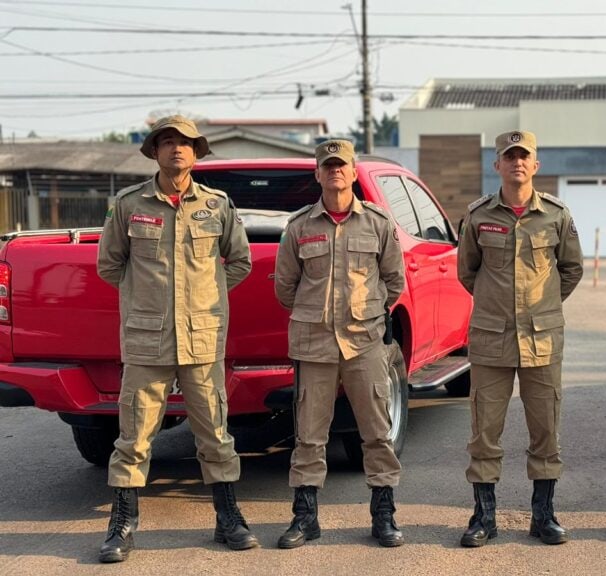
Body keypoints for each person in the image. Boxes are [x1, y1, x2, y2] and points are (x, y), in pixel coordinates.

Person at [96, 115, 255, 562]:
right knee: (134, 436)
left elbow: (238, 262)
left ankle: (228, 518)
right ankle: (122, 524)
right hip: (148, 340)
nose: (176, 149)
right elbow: (110, 265)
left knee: (215, 434)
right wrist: (144, 302)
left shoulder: (218, 205)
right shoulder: (129, 204)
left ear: (196, 152)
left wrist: (207, 299)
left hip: (202, 340)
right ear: (155, 151)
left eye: (185, 143)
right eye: (167, 142)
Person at [273, 139, 407, 548]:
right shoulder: (299, 227)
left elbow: (394, 283)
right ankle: (305, 516)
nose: (335, 171)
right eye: (327, 165)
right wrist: (319, 315)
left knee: (377, 432)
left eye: (342, 165)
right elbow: (285, 288)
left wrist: (364, 315)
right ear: (317, 173)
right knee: (310, 436)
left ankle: (383, 515)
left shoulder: (378, 224)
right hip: (314, 344)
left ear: (353, 172)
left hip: (364, 343)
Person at [456, 130, 584, 547]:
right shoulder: (477, 216)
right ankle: (484, 515)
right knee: (484, 432)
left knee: (545, 430)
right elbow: (467, 272)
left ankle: (543, 515)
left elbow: (571, 269)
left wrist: (543, 306)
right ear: (497, 165)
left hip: (542, 340)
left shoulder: (556, 215)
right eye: (509, 157)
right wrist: (498, 304)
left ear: (535, 164)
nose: (517, 163)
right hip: (492, 339)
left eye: (524, 156)